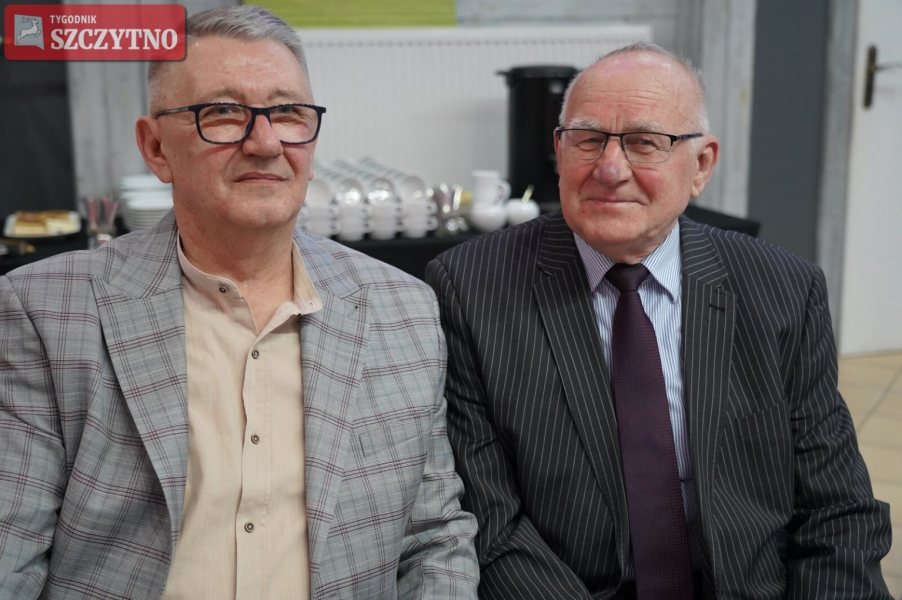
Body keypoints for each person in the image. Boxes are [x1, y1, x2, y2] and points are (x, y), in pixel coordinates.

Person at [0, 6, 478, 598]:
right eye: (223, 113)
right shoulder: (46, 312)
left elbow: (434, 536)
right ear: (155, 147)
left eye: (289, 113)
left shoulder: (402, 310)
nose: (265, 142)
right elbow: (10, 548)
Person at [425, 42, 891, 599]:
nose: (610, 169)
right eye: (587, 139)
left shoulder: (783, 289)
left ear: (702, 165)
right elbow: (490, 521)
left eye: (645, 143)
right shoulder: (472, 287)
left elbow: (837, 509)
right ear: (559, 151)